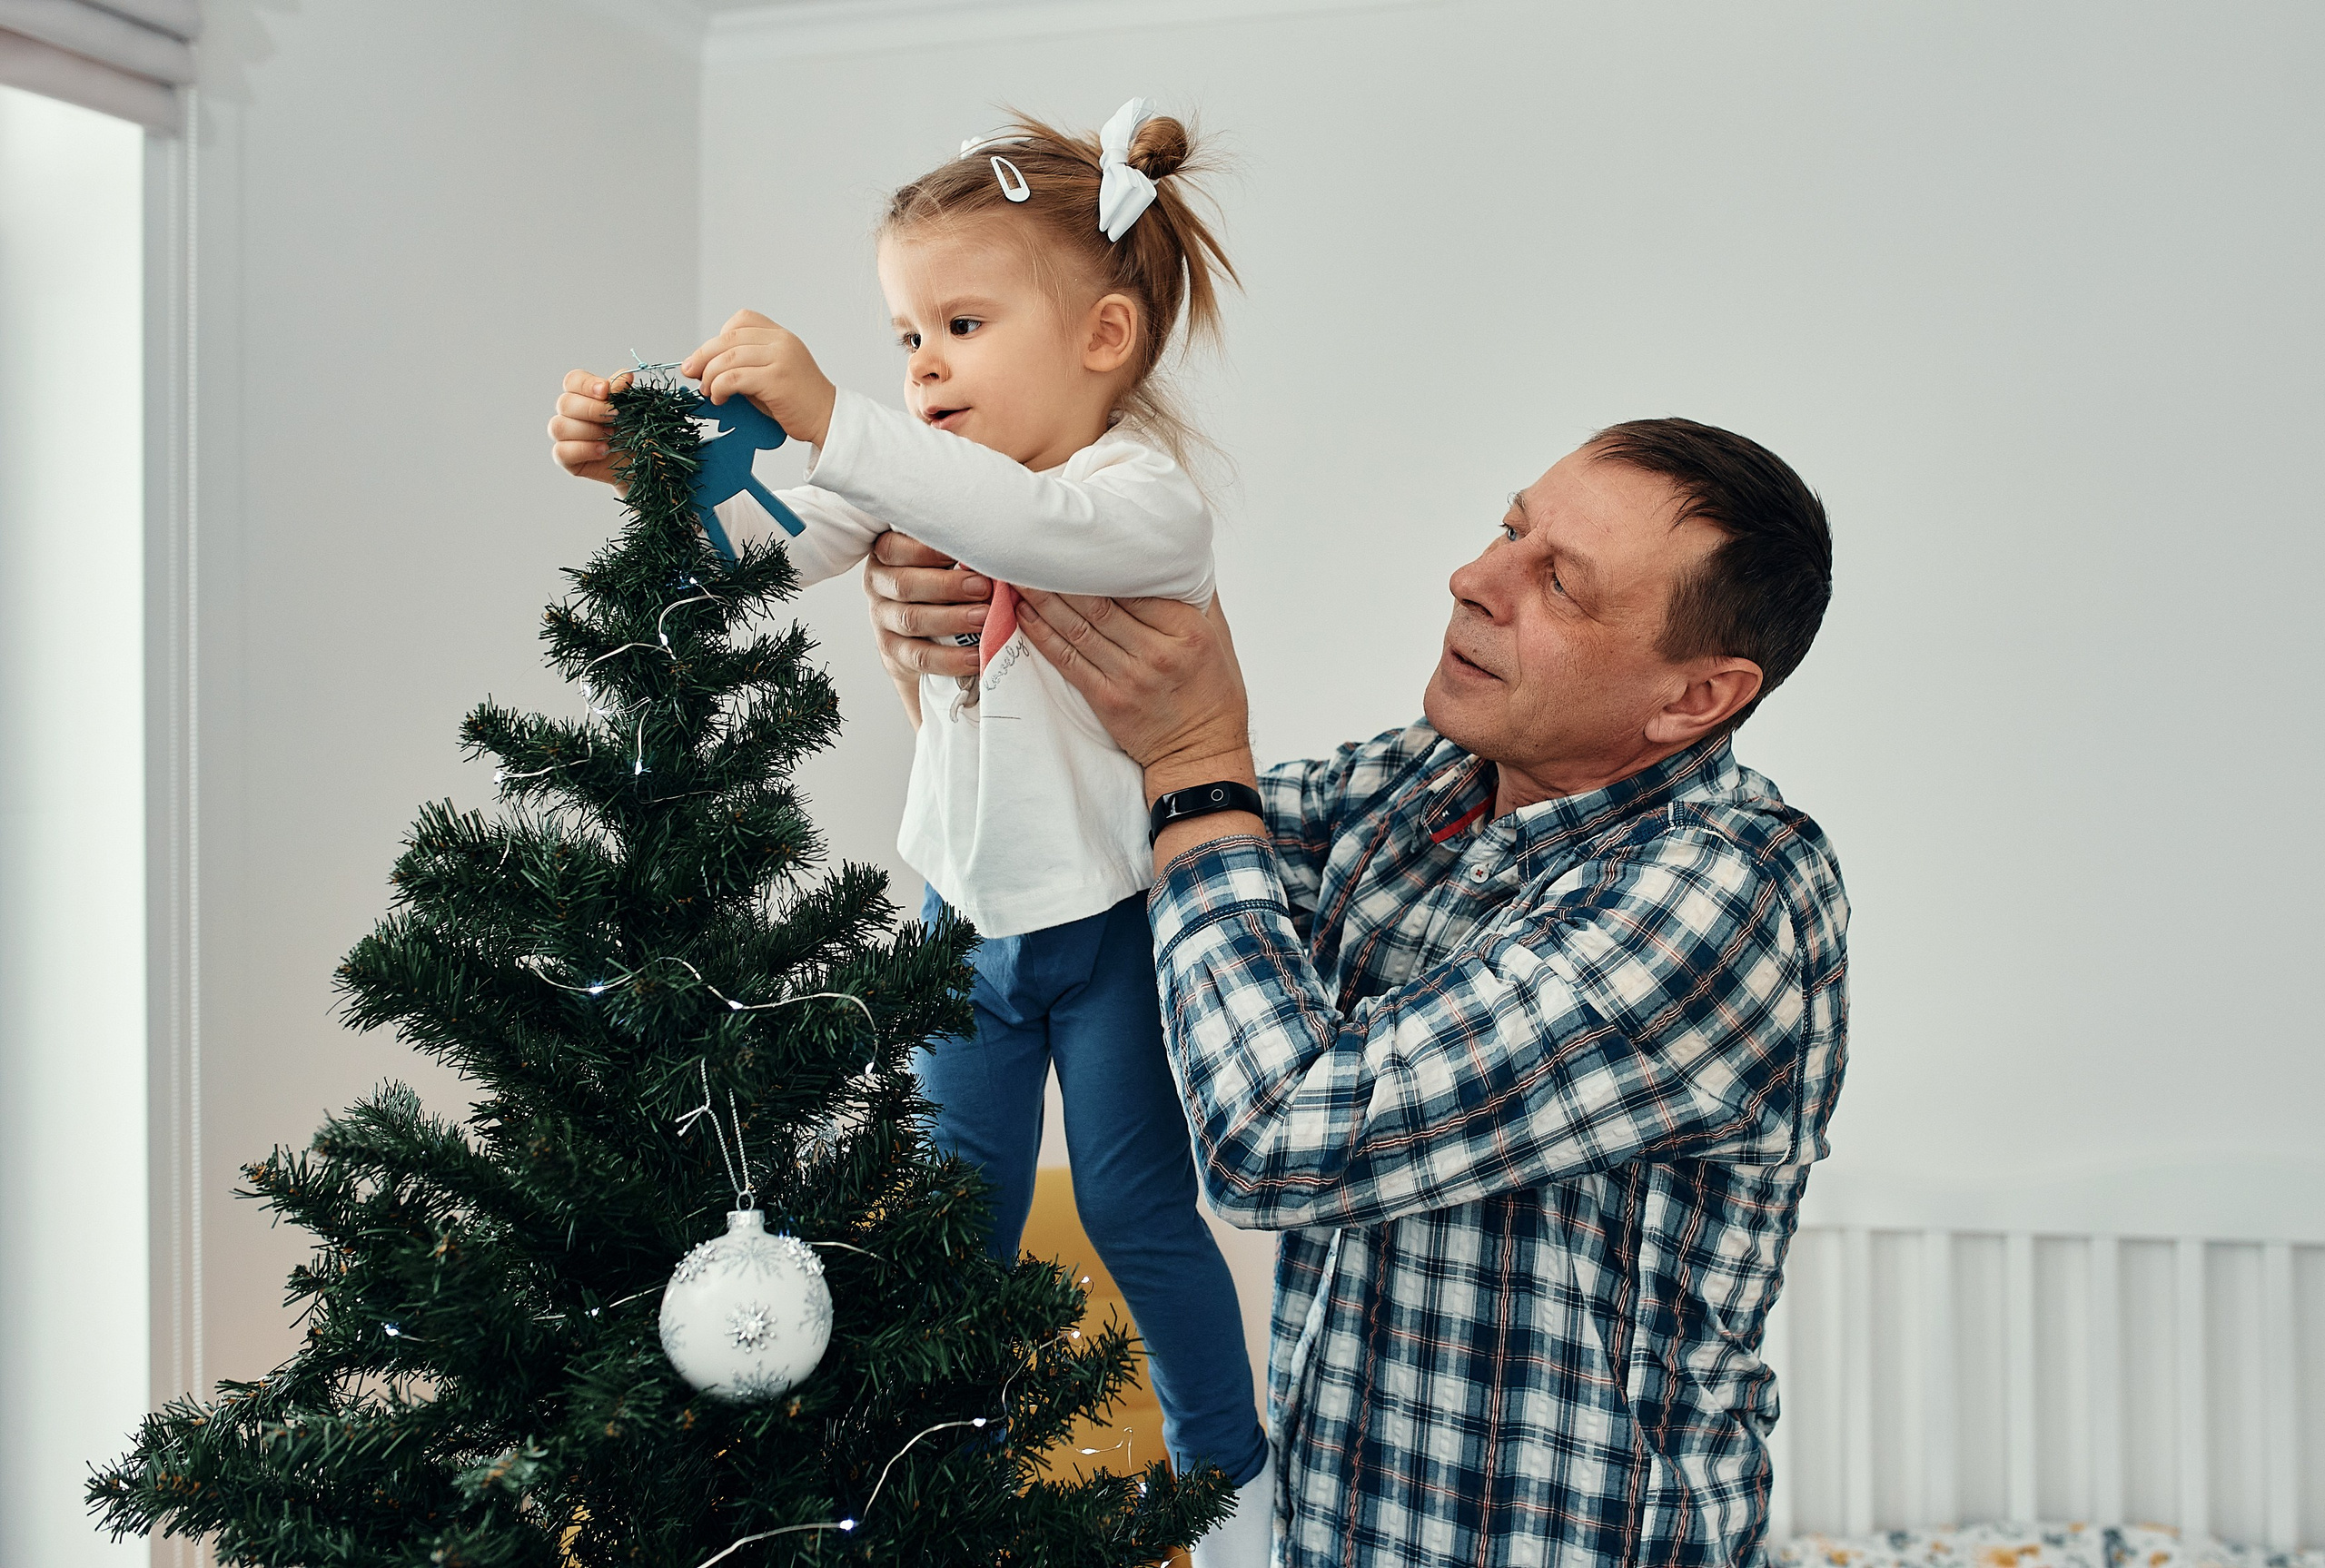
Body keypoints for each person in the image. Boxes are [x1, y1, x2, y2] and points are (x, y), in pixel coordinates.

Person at [861, 419, 1851, 1566]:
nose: (1474, 579)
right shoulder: (1423, 782)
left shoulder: (1729, 888)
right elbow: (1102, 856)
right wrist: (951, 664)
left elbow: (1278, 1142)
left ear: (1695, 697)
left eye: (1559, 584)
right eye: (1509, 528)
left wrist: (1193, 752)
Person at [542, 100, 1272, 1564]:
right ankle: (944, 1487)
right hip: (960, 926)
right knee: (954, 1226)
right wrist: (647, 481)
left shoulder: (1143, 501)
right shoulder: (901, 480)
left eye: (959, 322)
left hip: (1108, 921)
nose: (922, 364)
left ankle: (1235, 1481)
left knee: (1137, 1205)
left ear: (1104, 339)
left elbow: (1025, 530)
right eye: (902, 336)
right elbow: (758, 550)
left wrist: (839, 420)